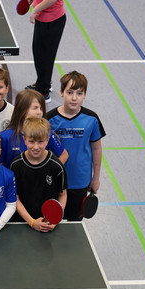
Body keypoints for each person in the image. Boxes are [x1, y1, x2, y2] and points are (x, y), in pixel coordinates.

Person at [47, 71, 105, 221]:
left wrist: (96, 178)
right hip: (55, 181)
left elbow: (97, 149)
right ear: (61, 92)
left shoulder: (92, 119)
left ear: (85, 95)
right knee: (52, 221)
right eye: (70, 92)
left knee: (74, 223)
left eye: (79, 93)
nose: (74, 98)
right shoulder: (49, 119)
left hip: (80, 180)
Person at [9, 117, 66, 232]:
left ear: (47, 140)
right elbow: (15, 199)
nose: (36, 147)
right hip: (22, 223)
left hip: (47, 224)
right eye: (31, 141)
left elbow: (62, 195)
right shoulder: (16, 165)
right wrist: (32, 222)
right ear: (24, 140)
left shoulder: (57, 166)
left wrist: (54, 219)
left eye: (40, 142)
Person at [25, 0, 66, 103]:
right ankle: (43, 82)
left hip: (52, 20)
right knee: (38, 53)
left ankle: (43, 91)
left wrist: (35, 10)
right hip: (43, 19)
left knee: (45, 56)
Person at [0, 89, 68, 166]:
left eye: (41, 108)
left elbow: (64, 155)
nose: (39, 112)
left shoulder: (47, 134)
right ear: (22, 110)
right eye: (35, 108)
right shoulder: (5, 136)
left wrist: (51, 171)